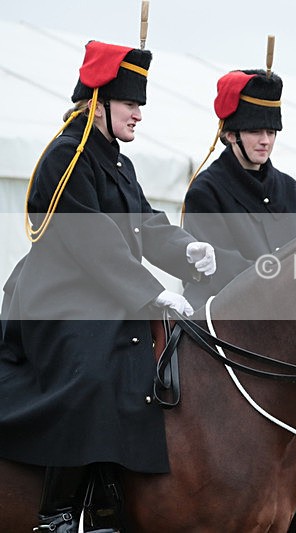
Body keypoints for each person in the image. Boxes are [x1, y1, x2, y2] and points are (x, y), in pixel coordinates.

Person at [0, 40, 215, 533]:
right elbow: (91, 239)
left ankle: (106, 499)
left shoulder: (118, 161)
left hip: (109, 296)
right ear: (98, 102)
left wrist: (185, 249)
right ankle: (56, 513)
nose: (139, 114)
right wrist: (150, 291)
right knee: (94, 372)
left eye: (140, 104)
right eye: (131, 103)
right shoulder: (66, 155)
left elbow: (146, 222)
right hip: (57, 300)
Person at [182, 68, 296, 309]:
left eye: (271, 132)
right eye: (255, 131)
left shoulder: (294, 193)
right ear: (231, 135)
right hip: (225, 317)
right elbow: (222, 269)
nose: (265, 140)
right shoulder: (205, 191)